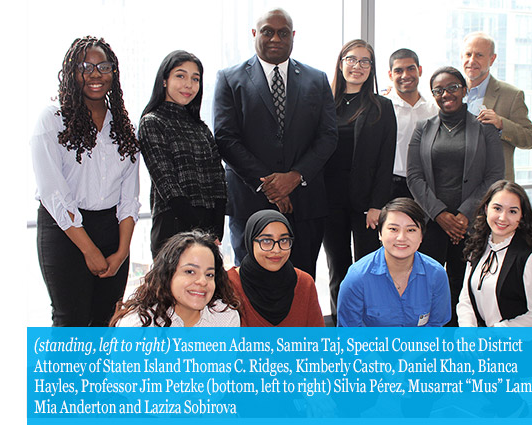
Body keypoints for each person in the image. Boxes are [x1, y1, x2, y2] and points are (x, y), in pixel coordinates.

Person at [213, 8, 338, 280]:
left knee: (301, 283)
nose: (275, 38)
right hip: (250, 202)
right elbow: (225, 138)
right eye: (268, 31)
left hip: (304, 204)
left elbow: (328, 135)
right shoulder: (229, 78)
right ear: (255, 33)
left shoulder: (316, 79)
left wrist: (295, 177)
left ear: (293, 36)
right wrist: (270, 186)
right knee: (250, 286)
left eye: (283, 33)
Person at [31, 36, 140, 327]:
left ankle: (95, 376)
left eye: (103, 66)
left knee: (106, 321)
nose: (95, 74)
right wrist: (89, 250)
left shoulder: (122, 125)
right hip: (65, 233)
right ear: (71, 73)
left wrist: (122, 252)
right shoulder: (52, 119)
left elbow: (129, 198)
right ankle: (66, 375)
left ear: (114, 72)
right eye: (85, 67)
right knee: (72, 321)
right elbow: (54, 194)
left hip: (112, 231)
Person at [406, 66, 504, 326]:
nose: (445, 94)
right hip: (433, 222)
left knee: (466, 287)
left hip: (470, 224)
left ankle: (463, 345)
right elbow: (414, 177)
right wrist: (440, 214)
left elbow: (494, 175)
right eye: (438, 90)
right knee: (430, 285)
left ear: (464, 90)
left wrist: (463, 215)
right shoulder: (422, 129)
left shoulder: (485, 129)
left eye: (452, 88)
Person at [324, 39, 397, 324]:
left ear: (372, 69)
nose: (357, 66)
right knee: (337, 270)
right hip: (329, 202)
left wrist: (377, 205)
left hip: (366, 205)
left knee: (368, 270)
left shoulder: (382, 107)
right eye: (351, 59)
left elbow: (385, 161)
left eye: (365, 61)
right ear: (341, 63)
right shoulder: (324, 104)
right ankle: (343, 330)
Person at [138, 50, 227, 258]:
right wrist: (200, 232)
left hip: (208, 227)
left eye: (195, 79)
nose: (189, 84)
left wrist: (216, 229)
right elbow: (167, 183)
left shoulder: (201, 127)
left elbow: (218, 177)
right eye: (180, 76)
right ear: (164, 80)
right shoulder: (152, 122)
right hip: (173, 223)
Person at [337, 198, 450, 327]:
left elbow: (435, 326)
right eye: (393, 229)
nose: (401, 238)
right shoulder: (357, 277)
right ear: (380, 233)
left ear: (421, 236)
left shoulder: (436, 274)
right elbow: (350, 335)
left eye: (411, 230)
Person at [457, 180, 532, 327]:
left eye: (512, 211)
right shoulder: (478, 246)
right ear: (486, 209)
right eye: (497, 208)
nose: (502, 217)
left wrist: (495, 333)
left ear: (521, 216)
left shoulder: (531, 258)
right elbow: (466, 298)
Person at [111, 230, 240, 327]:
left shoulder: (224, 317)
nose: (202, 281)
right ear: (168, 274)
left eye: (209, 275)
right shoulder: (138, 324)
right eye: (190, 271)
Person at [461, 31, 532, 181]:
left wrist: (501, 124)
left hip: (494, 189)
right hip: (456, 188)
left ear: (492, 59)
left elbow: (530, 139)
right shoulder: (450, 93)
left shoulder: (511, 95)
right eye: (468, 54)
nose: (472, 60)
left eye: (479, 55)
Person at [227, 210, 324, 327]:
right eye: (266, 241)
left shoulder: (304, 283)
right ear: (250, 242)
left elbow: (317, 340)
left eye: (283, 240)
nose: (277, 250)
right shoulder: (228, 284)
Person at [384, 48, 438, 200]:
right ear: (390, 75)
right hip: (392, 185)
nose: (405, 75)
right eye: (398, 71)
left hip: (428, 186)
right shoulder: (383, 108)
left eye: (410, 69)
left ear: (419, 70)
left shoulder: (434, 108)